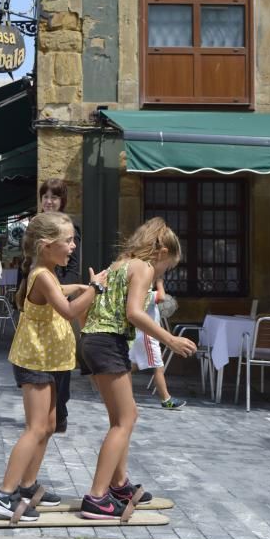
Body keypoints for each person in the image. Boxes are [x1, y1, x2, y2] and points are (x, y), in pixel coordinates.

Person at [0, 212, 108, 521]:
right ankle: (4, 494)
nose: (72, 247)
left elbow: (61, 293)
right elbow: (67, 311)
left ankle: (27, 486)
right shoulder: (42, 274)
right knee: (36, 427)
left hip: (50, 360)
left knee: (50, 425)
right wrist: (95, 288)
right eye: (67, 241)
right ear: (45, 245)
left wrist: (80, 286)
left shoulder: (47, 272)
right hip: (35, 360)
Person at [79, 217, 196, 519]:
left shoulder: (120, 263)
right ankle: (96, 496)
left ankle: (119, 485)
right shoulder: (143, 267)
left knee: (122, 416)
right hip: (108, 341)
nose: (163, 272)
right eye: (166, 266)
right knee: (126, 418)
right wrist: (169, 339)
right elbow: (133, 313)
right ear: (159, 252)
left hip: (95, 340)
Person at [39, 178, 85, 433]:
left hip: (59, 297)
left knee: (60, 357)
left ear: (61, 201)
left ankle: (61, 411)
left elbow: (74, 267)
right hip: (37, 299)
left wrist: (57, 291)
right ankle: (43, 411)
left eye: (54, 197)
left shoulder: (69, 228)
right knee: (39, 356)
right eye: (45, 196)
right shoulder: (35, 226)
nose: (48, 201)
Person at [129, 278, 186, 410]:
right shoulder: (146, 294)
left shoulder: (136, 294)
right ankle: (166, 399)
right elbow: (161, 297)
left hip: (140, 334)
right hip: (147, 336)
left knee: (132, 365)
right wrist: (160, 281)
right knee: (158, 367)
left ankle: (113, 384)